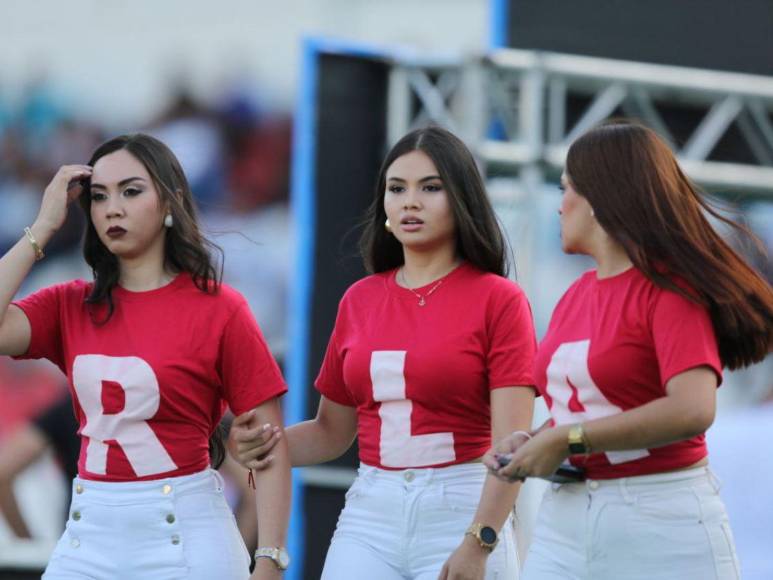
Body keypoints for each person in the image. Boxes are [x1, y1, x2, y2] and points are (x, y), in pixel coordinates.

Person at [231, 126, 538, 579]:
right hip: (371, 512)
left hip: (461, 505)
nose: (410, 201)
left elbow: (511, 449)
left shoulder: (500, 299)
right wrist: (261, 445)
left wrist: (481, 539)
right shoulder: (360, 299)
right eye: (397, 188)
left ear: (462, 199)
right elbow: (332, 431)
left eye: (430, 188)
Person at [483, 120, 773, 580]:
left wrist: (567, 439)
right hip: (565, 523)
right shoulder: (576, 295)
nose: (559, 207)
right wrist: (538, 440)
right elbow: (591, 408)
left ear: (600, 198)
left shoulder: (671, 289)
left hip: (661, 523)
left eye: (566, 190)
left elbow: (693, 409)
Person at [0, 133, 291, 579]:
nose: (112, 207)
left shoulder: (221, 309)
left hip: (186, 538)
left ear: (170, 201)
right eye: (99, 197)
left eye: (131, 191)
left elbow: (269, 446)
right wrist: (41, 228)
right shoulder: (69, 304)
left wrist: (269, 560)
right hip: (87, 536)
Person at [0, 391, 79, 539]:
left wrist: (27, 543)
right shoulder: (71, 408)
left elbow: (3, 472)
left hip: (83, 546)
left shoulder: (73, 406)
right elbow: (3, 473)